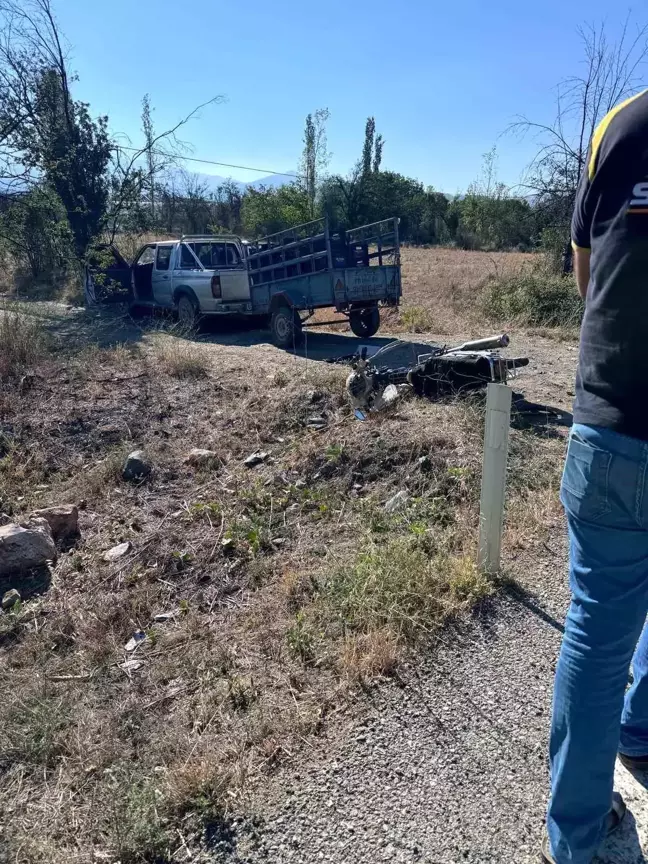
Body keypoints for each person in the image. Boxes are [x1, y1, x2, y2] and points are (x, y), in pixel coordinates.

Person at [543, 86, 648, 864]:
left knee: (595, 631)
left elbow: (588, 278)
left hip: (611, 426)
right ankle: (640, 729)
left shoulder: (622, 123)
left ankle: (574, 839)